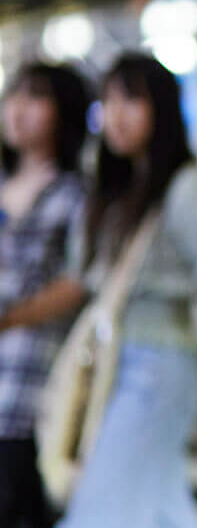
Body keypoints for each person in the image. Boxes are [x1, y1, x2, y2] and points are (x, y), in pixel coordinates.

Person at [0, 53, 197, 527]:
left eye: (131, 101)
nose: (116, 116)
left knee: (98, 511)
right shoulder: (115, 194)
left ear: (162, 108)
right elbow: (79, 282)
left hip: (158, 370)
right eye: (109, 102)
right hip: (113, 367)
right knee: (158, 509)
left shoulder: (186, 190)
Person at [0, 63, 90, 527]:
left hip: (27, 387)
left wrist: (14, 317)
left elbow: (79, 283)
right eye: (13, 94)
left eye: (35, 97)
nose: (17, 108)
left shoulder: (75, 196)